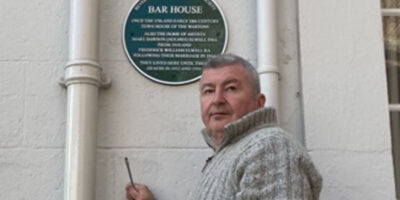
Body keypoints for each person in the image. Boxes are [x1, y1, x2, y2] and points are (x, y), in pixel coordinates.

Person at [126, 53, 322, 200]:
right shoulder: (231, 152)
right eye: (209, 91)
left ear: (259, 102)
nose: (217, 100)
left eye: (231, 88)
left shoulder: (270, 146)